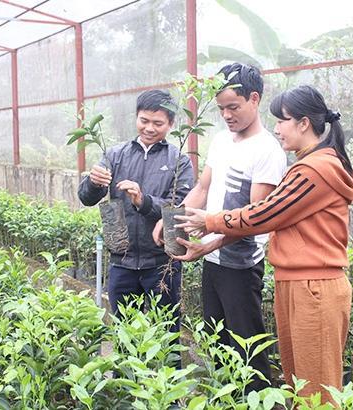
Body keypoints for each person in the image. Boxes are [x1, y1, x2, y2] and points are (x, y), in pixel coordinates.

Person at [173, 84, 353, 403]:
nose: (277, 129)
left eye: (282, 121)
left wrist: (210, 221)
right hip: (298, 283)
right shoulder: (309, 165)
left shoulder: (316, 169)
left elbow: (264, 213)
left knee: (316, 392)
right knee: (298, 384)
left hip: (314, 287)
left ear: (303, 123)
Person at [153, 63, 286, 390]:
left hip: (240, 266)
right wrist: (171, 218)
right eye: (222, 108)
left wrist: (208, 245)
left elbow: (254, 219)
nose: (226, 115)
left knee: (248, 349)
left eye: (233, 107)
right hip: (212, 261)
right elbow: (202, 188)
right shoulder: (222, 141)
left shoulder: (268, 151)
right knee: (217, 344)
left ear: (254, 99)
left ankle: (259, 401)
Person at [78, 89, 194, 332]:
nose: (149, 128)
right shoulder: (114, 155)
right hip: (122, 260)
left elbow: (181, 208)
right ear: (136, 118)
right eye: (144, 120)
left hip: (162, 262)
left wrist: (143, 201)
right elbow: (87, 198)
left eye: (158, 123)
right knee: (124, 332)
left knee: (166, 332)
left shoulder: (179, 160)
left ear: (171, 124)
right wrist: (93, 182)